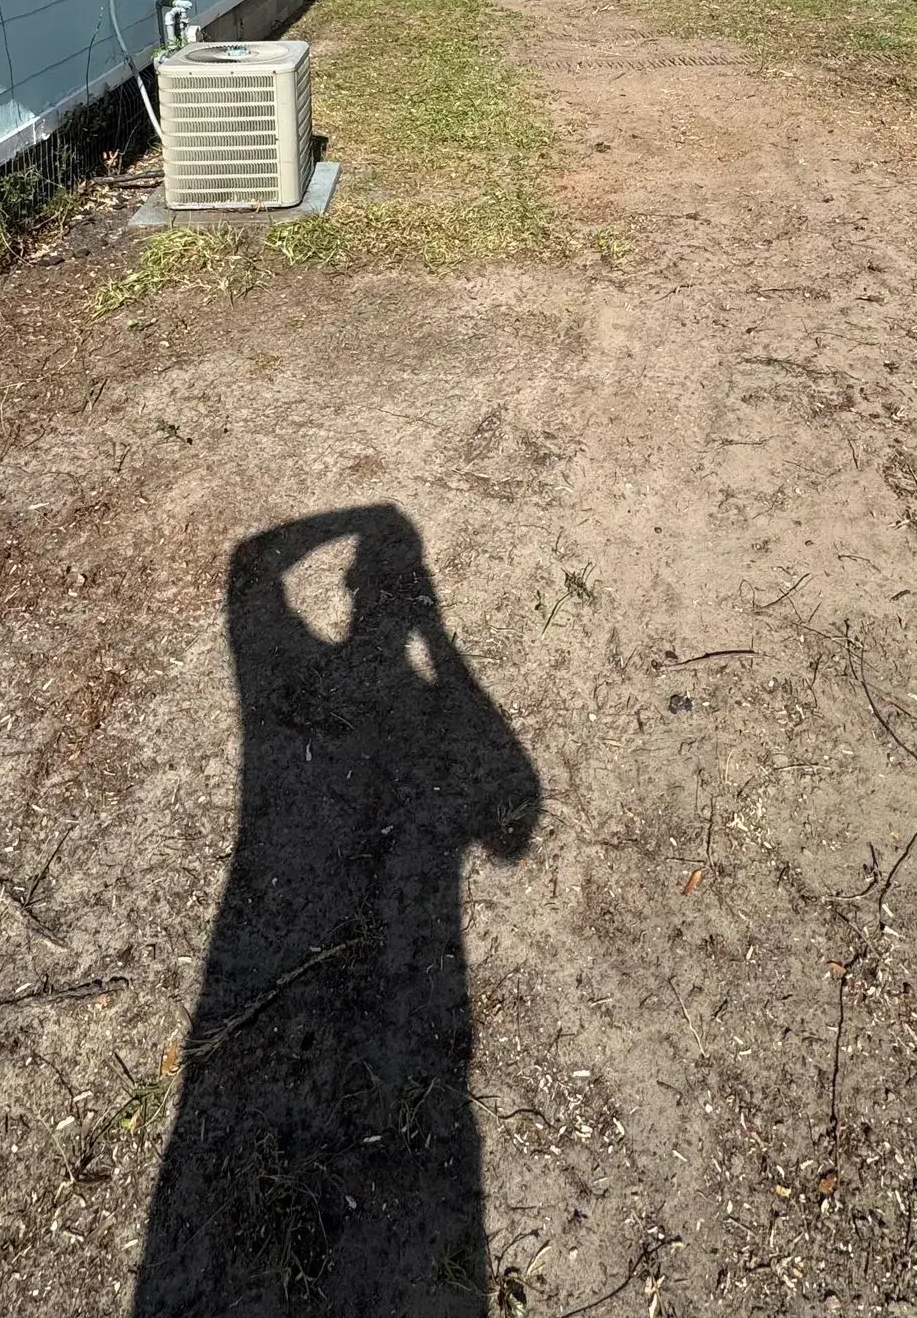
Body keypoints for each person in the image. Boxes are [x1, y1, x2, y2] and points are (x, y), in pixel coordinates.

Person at [135, 507, 540, 1315]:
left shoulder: (265, 669)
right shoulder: (361, 682)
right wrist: (438, 638)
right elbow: (513, 822)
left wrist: (364, 521)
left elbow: (254, 560)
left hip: (246, 973)